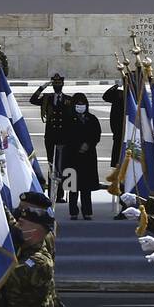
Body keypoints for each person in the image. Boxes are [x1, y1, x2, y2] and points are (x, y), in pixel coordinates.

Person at [30, 73, 71, 202]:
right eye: (54, 84)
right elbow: (33, 100)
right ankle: (51, 193)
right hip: (51, 137)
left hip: (64, 137)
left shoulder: (69, 100)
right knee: (51, 165)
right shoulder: (47, 98)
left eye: (59, 84)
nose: (57, 86)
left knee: (62, 165)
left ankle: (60, 194)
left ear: (63, 85)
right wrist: (42, 87)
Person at [60, 92, 101, 220]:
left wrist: (88, 145)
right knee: (73, 186)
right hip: (72, 156)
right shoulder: (67, 118)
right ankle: (73, 211)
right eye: (78, 104)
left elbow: (96, 134)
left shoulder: (92, 118)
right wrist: (78, 145)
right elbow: (65, 135)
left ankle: (87, 211)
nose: (81, 106)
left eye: (83, 104)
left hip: (88, 156)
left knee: (86, 187)